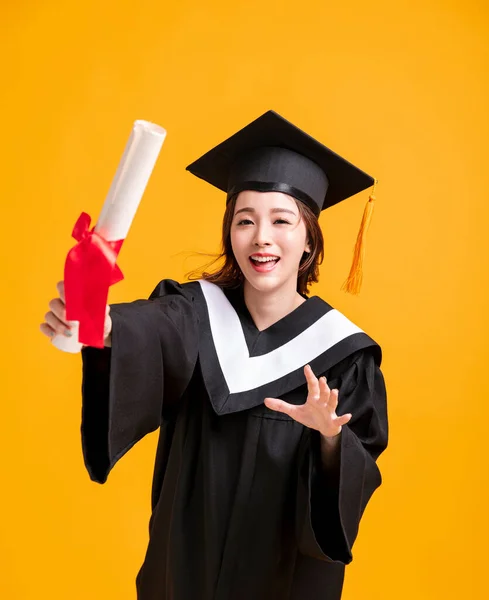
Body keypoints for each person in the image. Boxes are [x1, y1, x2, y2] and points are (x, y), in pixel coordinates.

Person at [41, 110, 388, 600]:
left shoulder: (344, 355)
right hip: (184, 569)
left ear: (309, 238)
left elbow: (353, 482)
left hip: (282, 579)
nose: (261, 236)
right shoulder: (196, 313)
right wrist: (102, 325)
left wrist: (330, 438)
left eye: (281, 220)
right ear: (230, 231)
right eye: (245, 220)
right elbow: (152, 328)